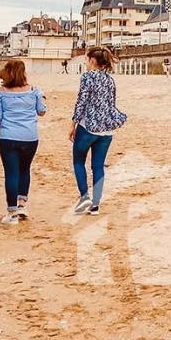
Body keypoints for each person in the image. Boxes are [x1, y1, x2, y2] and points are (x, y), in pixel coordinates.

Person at [70, 47, 126, 215]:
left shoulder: (88, 77)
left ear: (92, 61)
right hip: (106, 129)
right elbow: (111, 103)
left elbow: (81, 102)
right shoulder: (110, 79)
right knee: (98, 166)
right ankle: (95, 205)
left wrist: (73, 124)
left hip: (89, 126)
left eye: (86, 60)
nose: (86, 63)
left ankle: (84, 197)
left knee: (79, 161)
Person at [0, 60, 46, 225]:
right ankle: (22, 204)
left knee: (11, 173)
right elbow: (42, 111)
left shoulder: (0, 93)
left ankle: (12, 212)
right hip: (30, 137)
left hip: (9, 136)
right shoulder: (34, 90)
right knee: (25, 170)